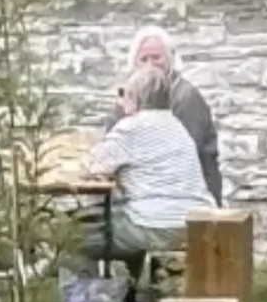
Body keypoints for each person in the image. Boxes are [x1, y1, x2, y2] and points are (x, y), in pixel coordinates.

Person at [77, 64, 215, 270]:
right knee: (122, 216)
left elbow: (93, 166)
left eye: (123, 93)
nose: (121, 100)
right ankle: (131, 294)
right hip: (195, 221)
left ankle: (85, 300)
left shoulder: (131, 127)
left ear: (134, 97)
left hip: (157, 225)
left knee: (72, 235)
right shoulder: (176, 126)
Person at [107, 27, 221, 203]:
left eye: (156, 58)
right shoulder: (130, 96)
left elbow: (181, 155)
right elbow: (110, 141)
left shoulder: (185, 97)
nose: (150, 65)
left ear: (170, 60)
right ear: (134, 63)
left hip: (188, 194)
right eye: (144, 59)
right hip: (150, 191)